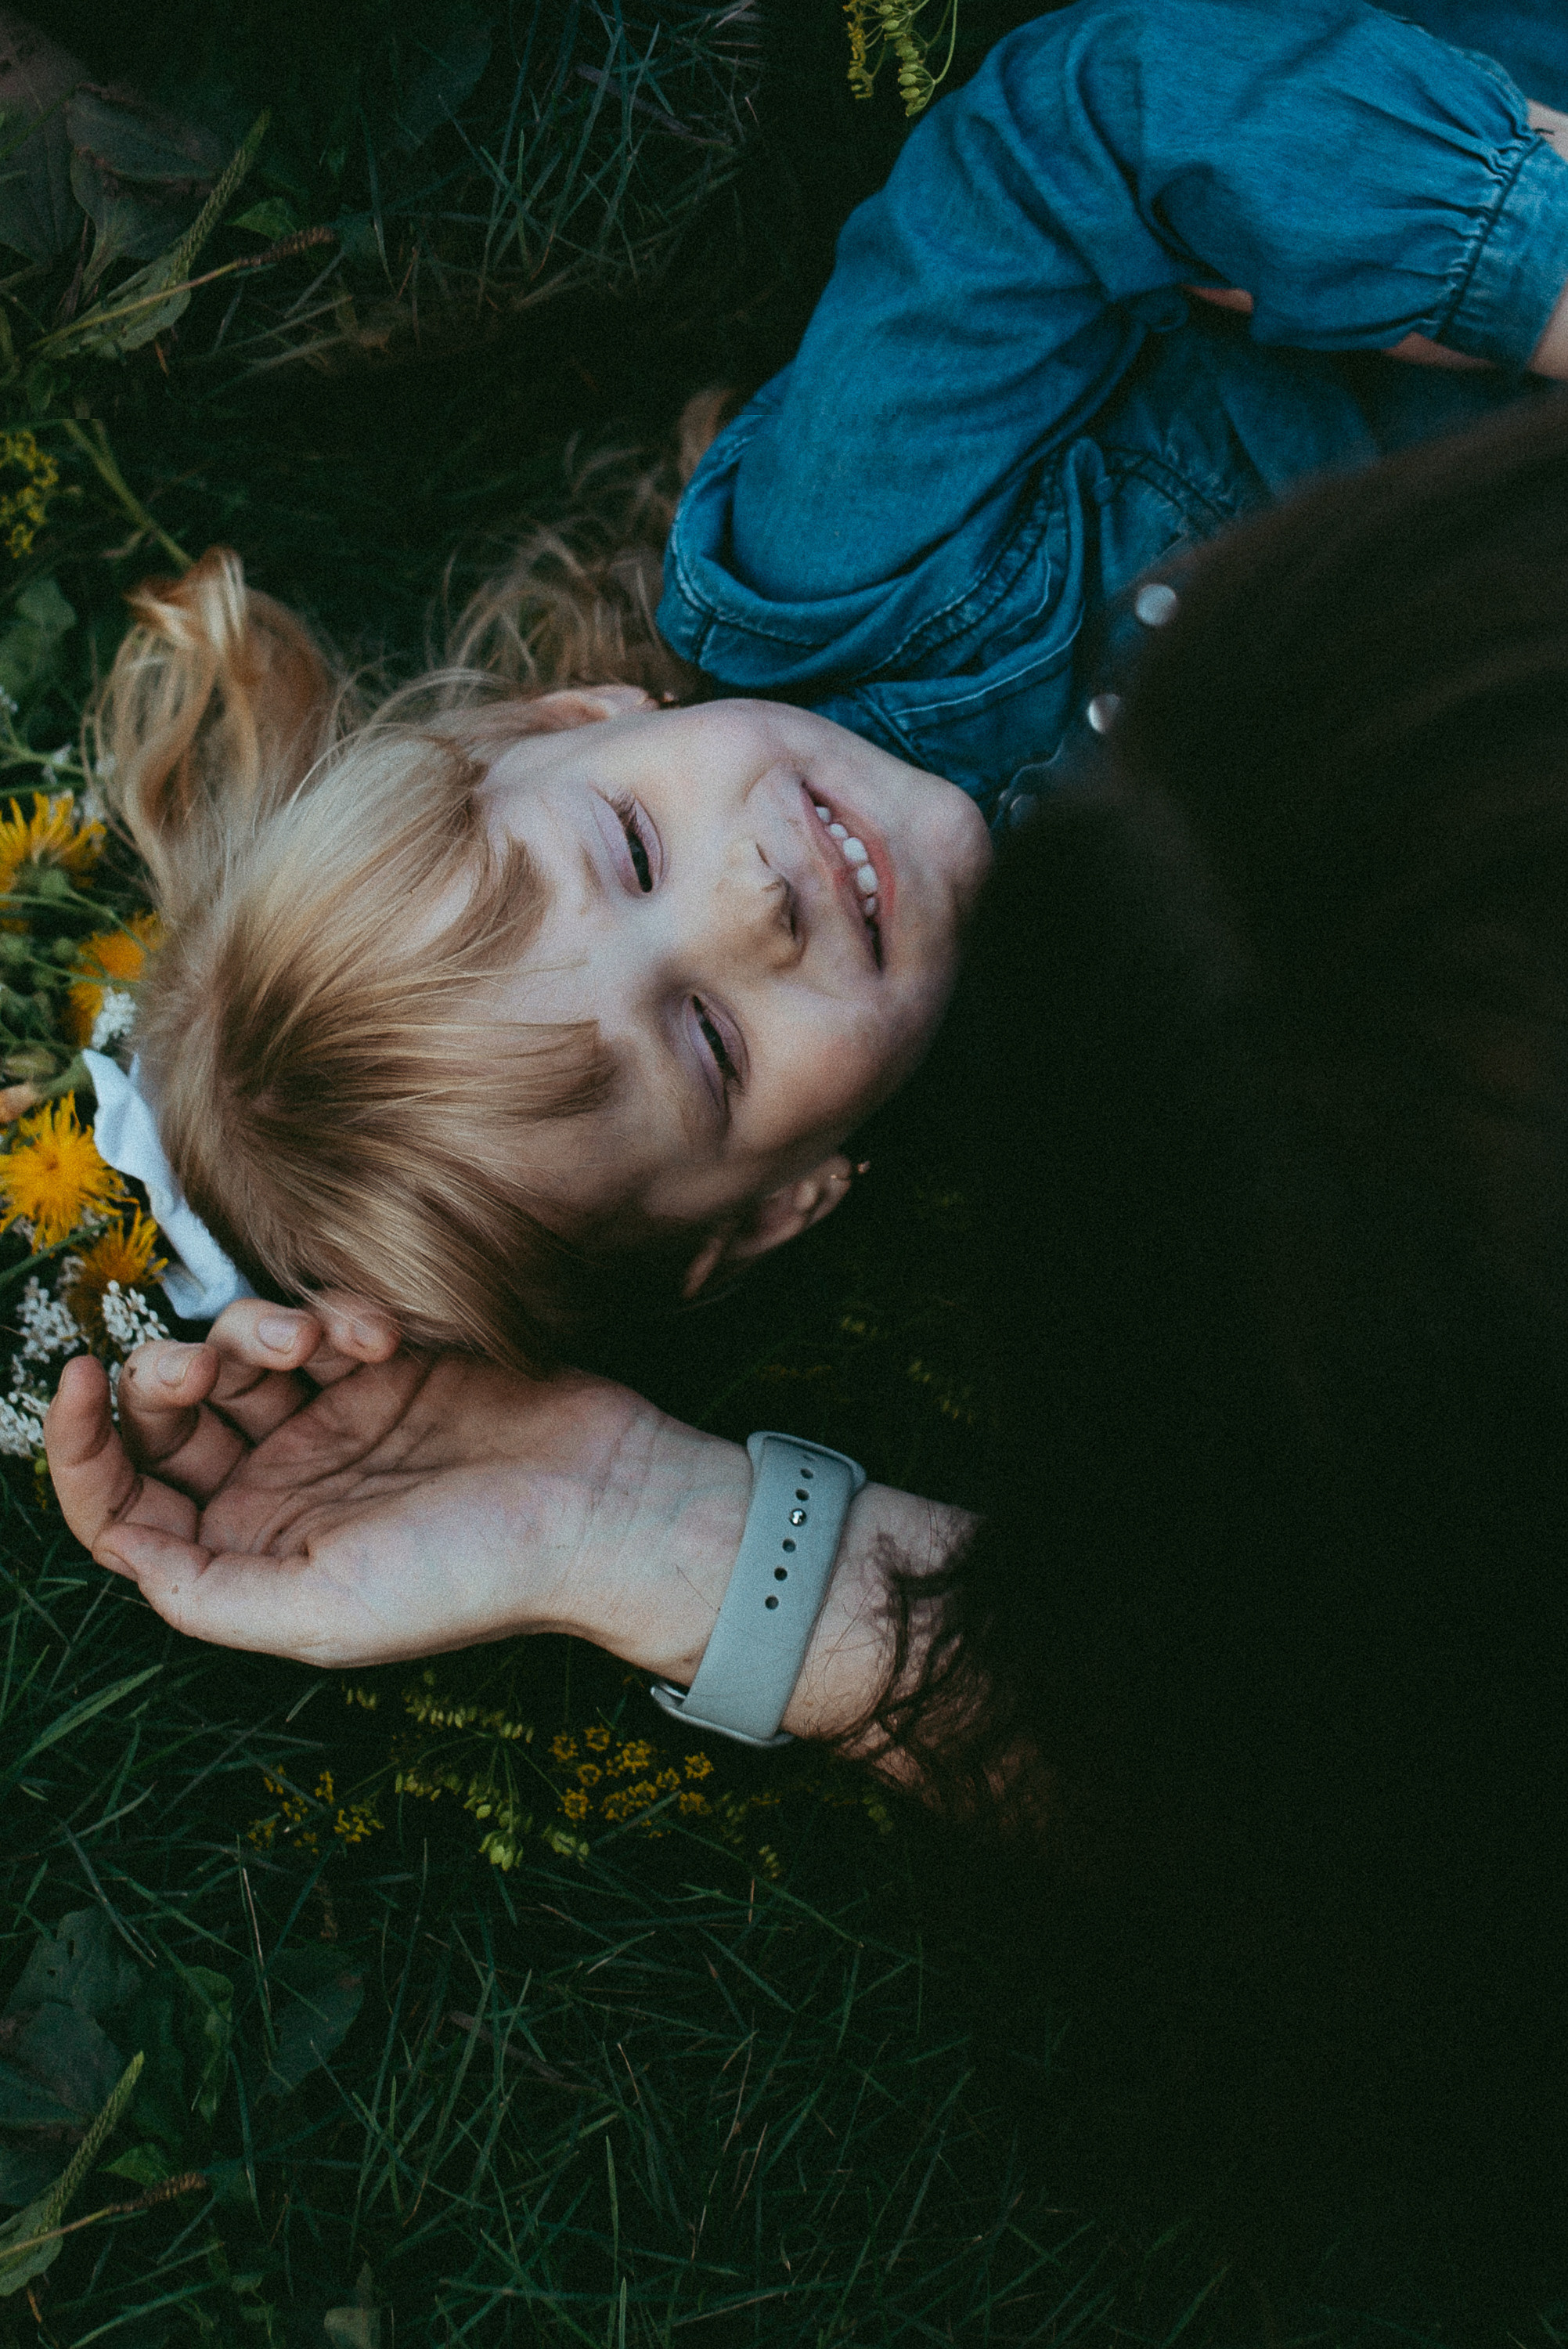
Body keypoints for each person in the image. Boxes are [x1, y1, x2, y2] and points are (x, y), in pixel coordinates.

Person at [81, 0, 1568, 1372]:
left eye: (635, 850)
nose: (754, 907)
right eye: (710, 1045)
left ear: (572, 721)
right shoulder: (1118, 1107)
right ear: (784, 1206)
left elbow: (1074, 134)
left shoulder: (842, 554)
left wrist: (1533, 259)